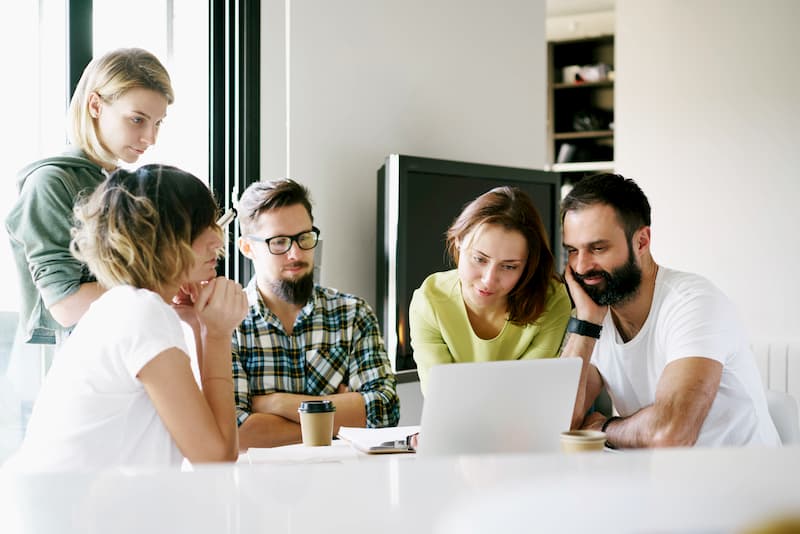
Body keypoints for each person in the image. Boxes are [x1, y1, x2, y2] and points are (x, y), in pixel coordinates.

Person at [3, 164, 248, 471]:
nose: (217, 239)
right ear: (161, 238)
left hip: (65, 505)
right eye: (202, 226)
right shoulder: (142, 313)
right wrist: (218, 334)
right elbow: (216, 458)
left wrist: (200, 327)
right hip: (65, 511)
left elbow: (211, 444)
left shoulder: (127, 307)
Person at [560, 173, 779, 448]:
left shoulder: (693, 302)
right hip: (666, 482)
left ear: (641, 242)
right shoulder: (597, 313)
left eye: (598, 248)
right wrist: (587, 323)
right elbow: (557, 422)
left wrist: (602, 428)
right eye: (572, 251)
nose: (581, 267)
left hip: (746, 484)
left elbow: (671, 433)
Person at [6, 47, 174, 346]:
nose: (151, 138)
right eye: (137, 119)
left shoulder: (124, 184)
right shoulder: (50, 182)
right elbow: (66, 306)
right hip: (69, 367)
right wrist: (162, 280)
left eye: (158, 123)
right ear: (95, 105)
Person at [232, 179, 400, 449]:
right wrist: (338, 418)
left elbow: (384, 411)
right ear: (248, 248)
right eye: (279, 242)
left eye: (304, 237)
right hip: (259, 488)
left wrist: (276, 403)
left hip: (343, 484)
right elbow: (238, 433)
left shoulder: (352, 314)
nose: (296, 253)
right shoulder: (229, 323)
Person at [409, 186, 572, 394]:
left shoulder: (552, 300)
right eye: (479, 259)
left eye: (509, 266)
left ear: (529, 265)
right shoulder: (429, 301)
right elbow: (440, 397)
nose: (488, 280)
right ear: (459, 242)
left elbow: (529, 395)